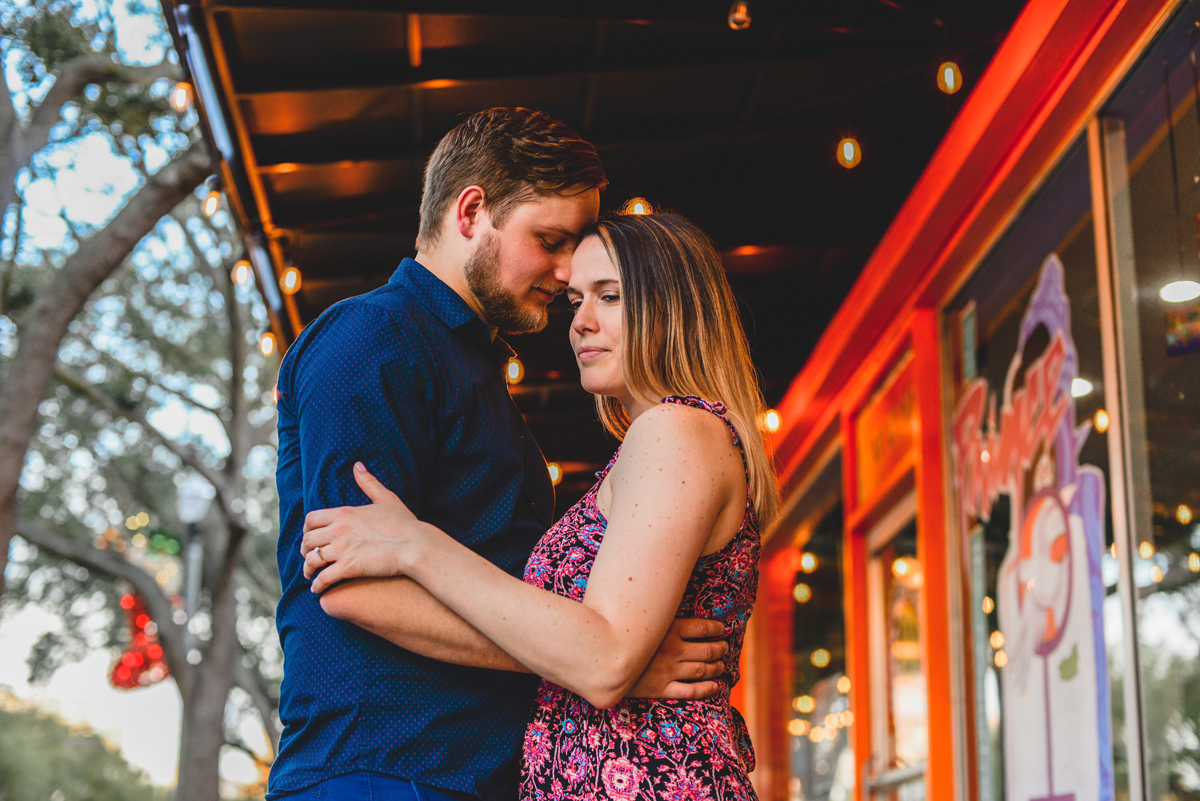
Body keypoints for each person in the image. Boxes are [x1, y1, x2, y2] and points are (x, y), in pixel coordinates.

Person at [269, 109, 729, 801]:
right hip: (383, 767)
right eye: (550, 239)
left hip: (465, 775)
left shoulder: (477, 368)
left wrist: (598, 652)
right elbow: (354, 582)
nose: (567, 267)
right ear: (472, 210)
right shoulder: (373, 337)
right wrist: (597, 659)